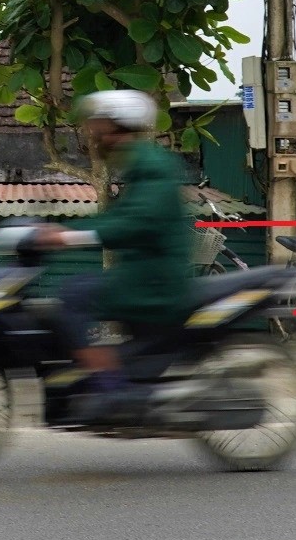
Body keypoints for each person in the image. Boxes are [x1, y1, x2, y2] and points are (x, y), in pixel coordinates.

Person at [35, 88, 196, 420]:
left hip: (152, 281)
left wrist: (71, 238)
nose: (96, 134)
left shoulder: (150, 167)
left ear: (121, 127)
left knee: (74, 295)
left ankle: (112, 387)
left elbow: (134, 224)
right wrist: (66, 230)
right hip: (144, 272)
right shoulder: (139, 164)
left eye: (102, 126)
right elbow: (119, 219)